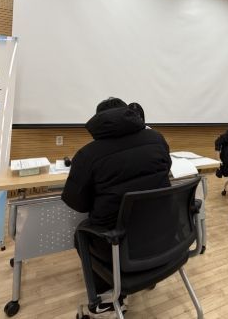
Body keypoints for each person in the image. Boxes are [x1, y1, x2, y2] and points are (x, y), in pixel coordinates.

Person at [61, 97, 172, 314]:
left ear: (98, 120)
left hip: (116, 245)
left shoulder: (87, 154)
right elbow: (165, 170)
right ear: (129, 114)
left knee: (82, 234)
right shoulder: (157, 139)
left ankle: (110, 297)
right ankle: (142, 275)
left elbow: (77, 204)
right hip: (163, 238)